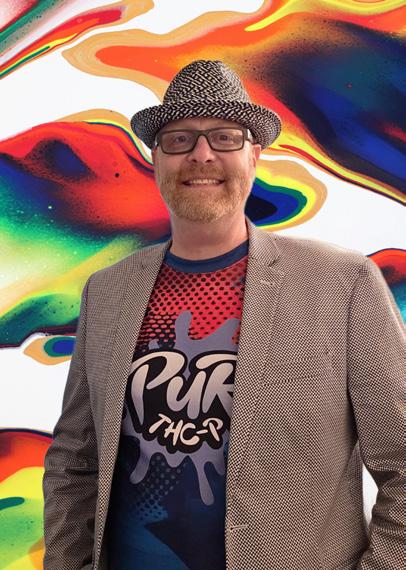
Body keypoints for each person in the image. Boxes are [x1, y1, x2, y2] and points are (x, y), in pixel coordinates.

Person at [42, 60, 405, 570]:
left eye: (225, 137)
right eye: (179, 139)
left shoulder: (342, 285)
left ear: (254, 154)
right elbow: (74, 459)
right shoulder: (107, 291)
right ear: (156, 158)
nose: (202, 154)